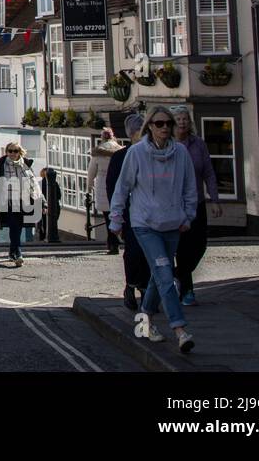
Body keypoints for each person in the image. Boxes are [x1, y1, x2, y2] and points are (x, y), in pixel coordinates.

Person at [109, 105, 197, 354]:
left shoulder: (180, 153)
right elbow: (122, 189)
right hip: (145, 224)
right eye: (159, 124)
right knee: (165, 275)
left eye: (168, 123)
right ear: (149, 126)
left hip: (172, 224)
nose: (165, 128)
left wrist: (188, 216)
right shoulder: (136, 153)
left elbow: (190, 188)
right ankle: (180, 329)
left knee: (160, 278)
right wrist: (116, 220)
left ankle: (144, 319)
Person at [172, 106, 221, 306]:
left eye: (185, 118)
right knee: (183, 247)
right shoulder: (167, 145)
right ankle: (187, 292)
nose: (182, 122)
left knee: (200, 245)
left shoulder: (198, 144)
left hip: (198, 202)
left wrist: (215, 199)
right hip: (175, 204)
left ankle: (176, 274)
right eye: (178, 119)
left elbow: (208, 172)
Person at [107, 113, 151, 311]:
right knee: (133, 252)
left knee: (149, 252)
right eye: (141, 132)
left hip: (152, 214)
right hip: (130, 214)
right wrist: (118, 217)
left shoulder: (154, 153)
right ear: (132, 134)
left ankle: (145, 288)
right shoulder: (120, 157)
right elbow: (113, 188)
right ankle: (131, 286)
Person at [0, 143, 38, 266]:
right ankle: (18, 252)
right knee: (14, 225)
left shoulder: (25, 165)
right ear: (6, 152)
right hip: (7, 200)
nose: (12, 153)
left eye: (15, 151)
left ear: (20, 152)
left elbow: (33, 183)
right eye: (10, 151)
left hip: (23, 200)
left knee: (18, 227)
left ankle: (12, 251)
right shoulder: (1, 165)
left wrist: (42, 202)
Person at [87, 128, 123, 254]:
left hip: (103, 184)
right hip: (118, 184)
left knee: (108, 217)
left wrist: (89, 186)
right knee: (119, 214)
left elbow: (92, 171)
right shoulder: (120, 149)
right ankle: (118, 241)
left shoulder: (97, 153)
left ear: (102, 137)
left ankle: (113, 244)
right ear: (113, 137)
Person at [40, 167, 62, 242]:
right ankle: (51, 236)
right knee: (52, 222)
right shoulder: (54, 183)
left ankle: (45, 238)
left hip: (45, 207)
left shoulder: (40, 184)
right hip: (54, 207)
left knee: (44, 223)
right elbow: (59, 195)